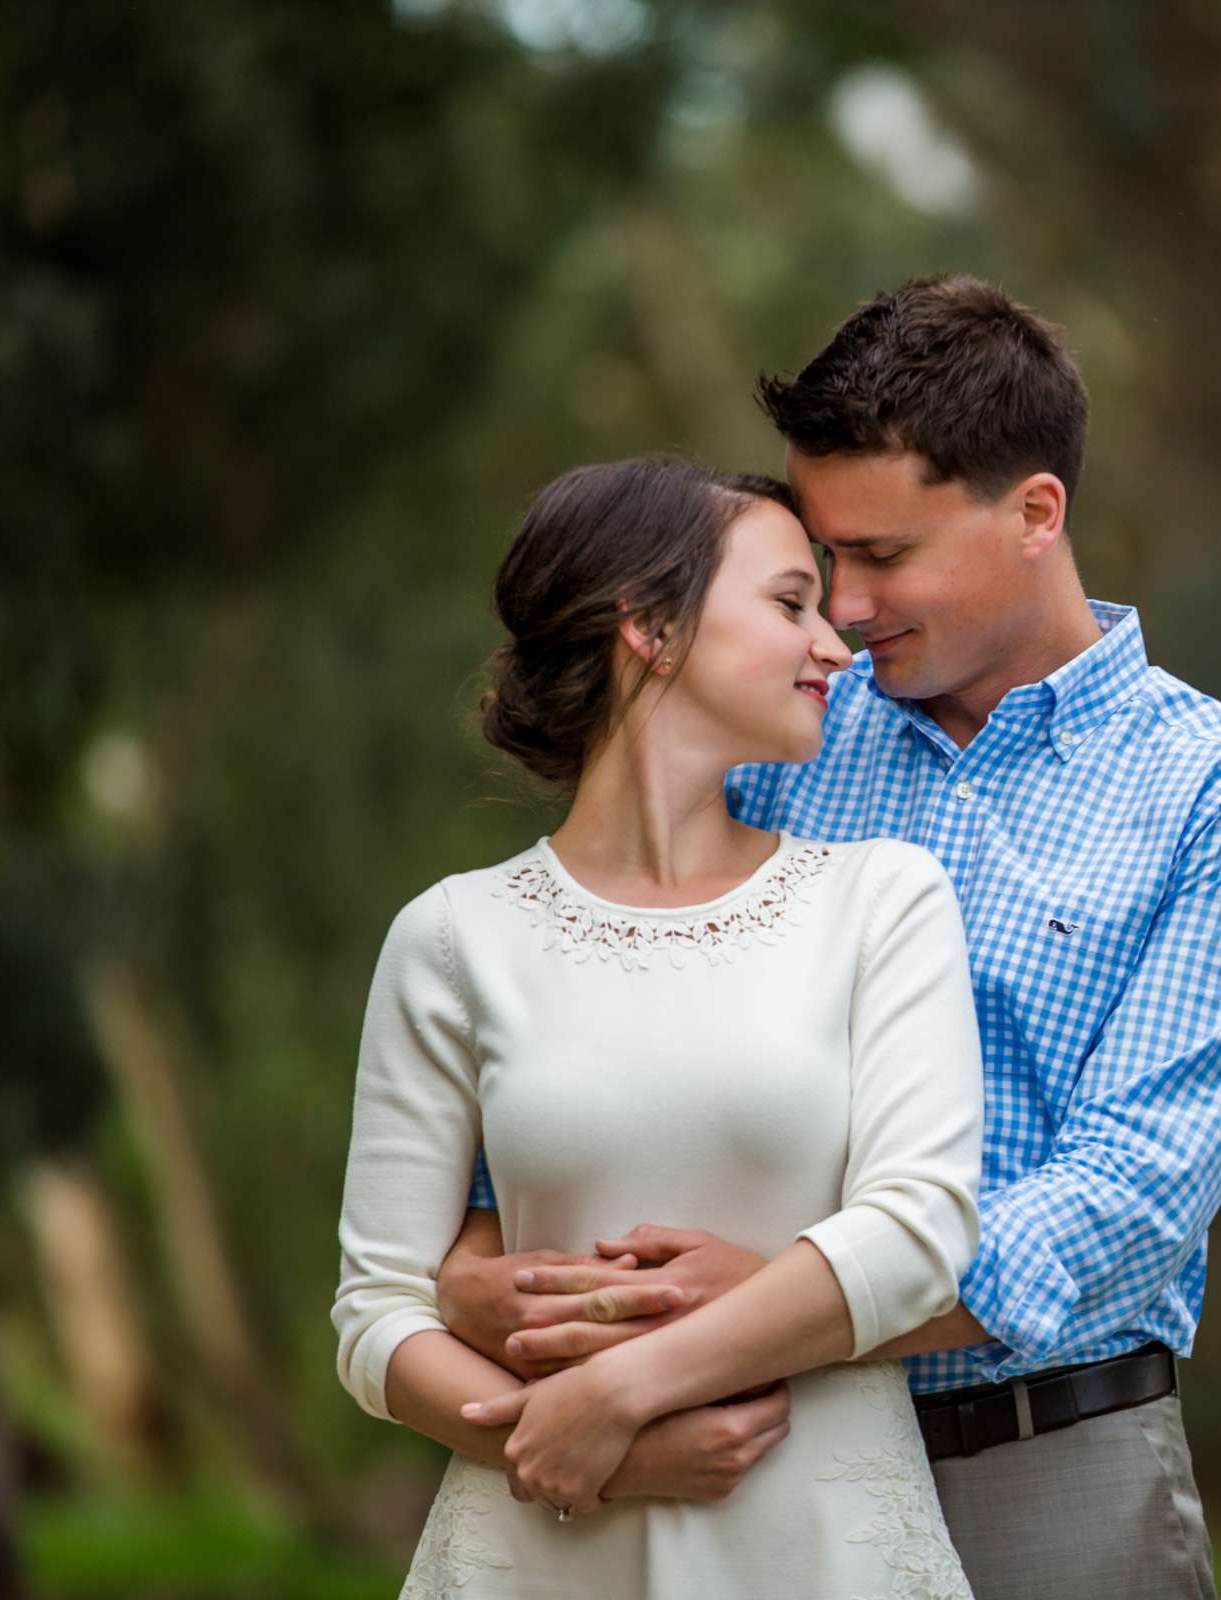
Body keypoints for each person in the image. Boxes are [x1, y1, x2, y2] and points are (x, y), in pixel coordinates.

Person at [439, 276, 1221, 1598]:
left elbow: (1124, 1201)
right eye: (823, 555)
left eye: (884, 556)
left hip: (1046, 1467)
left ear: (1037, 513)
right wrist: (487, 1267)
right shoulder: (776, 736)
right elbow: (588, 1016)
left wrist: (783, 1302)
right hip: (734, 1453)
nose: (842, 606)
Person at [331, 457, 984, 1599]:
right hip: (540, 1547)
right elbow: (376, 1314)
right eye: (790, 602)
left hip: (825, 1548)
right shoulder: (452, 937)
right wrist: (582, 1449)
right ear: (651, 626)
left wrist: (623, 1390)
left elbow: (922, 1231)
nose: (835, 645)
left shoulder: (884, 900)